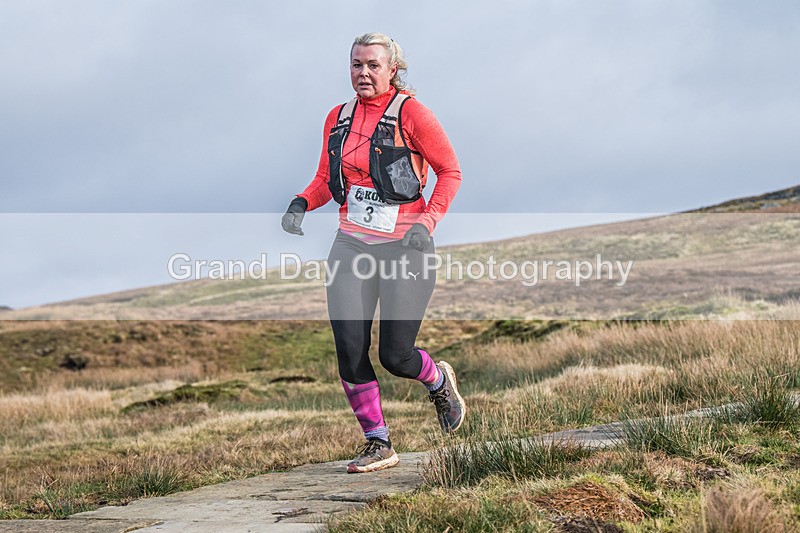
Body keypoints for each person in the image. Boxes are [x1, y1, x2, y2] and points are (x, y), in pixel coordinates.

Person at [281, 32, 464, 473]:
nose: (363, 73)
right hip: (351, 242)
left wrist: (427, 222)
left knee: (395, 356)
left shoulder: (413, 114)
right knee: (349, 347)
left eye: (373, 65)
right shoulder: (338, 117)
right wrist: (302, 201)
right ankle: (377, 441)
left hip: (407, 246)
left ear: (393, 69)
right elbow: (327, 177)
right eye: (356, 65)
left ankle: (438, 381)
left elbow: (450, 172)